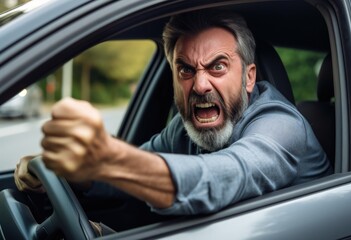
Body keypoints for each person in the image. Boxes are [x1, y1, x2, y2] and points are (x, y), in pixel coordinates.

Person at [14, 10, 332, 219]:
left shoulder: (281, 125)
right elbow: (129, 175)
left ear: (249, 77)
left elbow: (224, 175)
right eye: (186, 70)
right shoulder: (183, 129)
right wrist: (58, 171)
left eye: (217, 66)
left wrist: (110, 158)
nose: (200, 84)